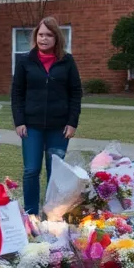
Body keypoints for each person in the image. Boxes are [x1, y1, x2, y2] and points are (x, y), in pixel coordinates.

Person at [10, 16, 82, 214]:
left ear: (56, 38)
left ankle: (52, 213)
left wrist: (72, 122)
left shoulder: (67, 61)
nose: (44, 39)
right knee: (31, 170)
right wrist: (19, 121)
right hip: (31, 126)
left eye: (49, 35)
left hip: (59, 127)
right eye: (41, 35)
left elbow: (76, 93)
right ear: (36, 37)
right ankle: (32, 214)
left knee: (55, 172)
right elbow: (17, 93)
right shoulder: (25, 61)